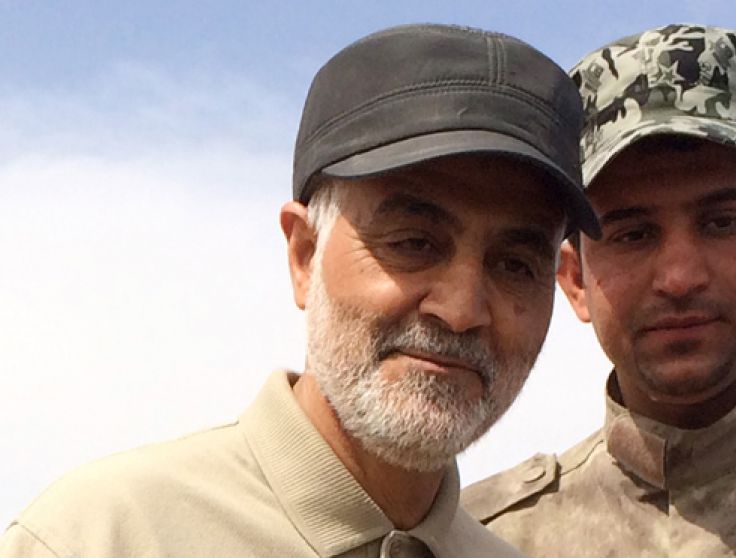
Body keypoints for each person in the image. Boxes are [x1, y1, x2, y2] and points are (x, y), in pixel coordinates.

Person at [0, 24, 600, 558]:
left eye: (515, 265)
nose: (462, 309)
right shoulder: (100, 537)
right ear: (304, 255)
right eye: (414, 243)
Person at [462, 23, 736, 556]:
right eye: (634, 234)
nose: (679, 277)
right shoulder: (488, 542)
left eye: (721, 223)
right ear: (574, 280)